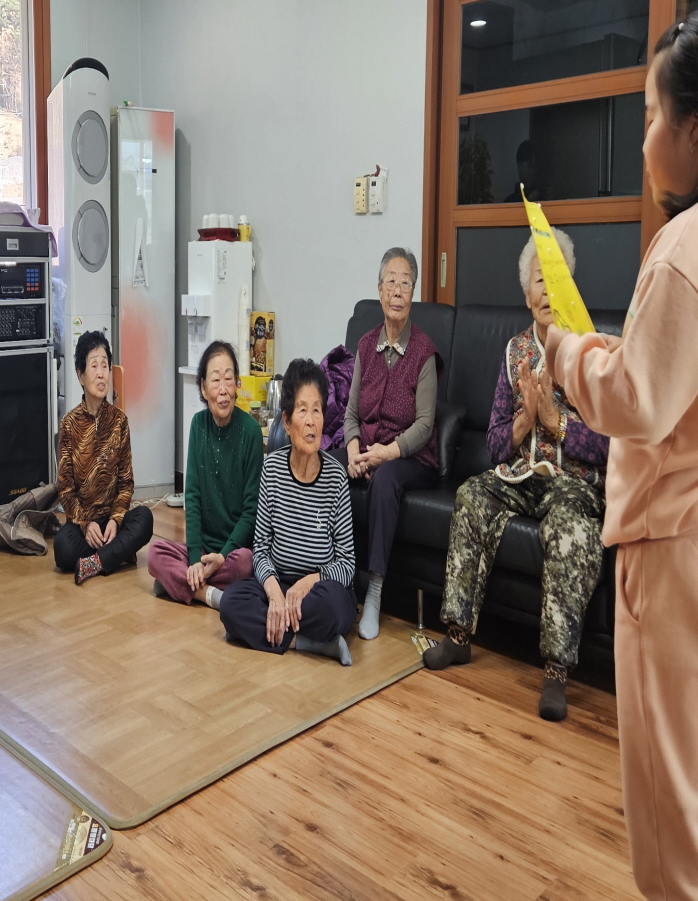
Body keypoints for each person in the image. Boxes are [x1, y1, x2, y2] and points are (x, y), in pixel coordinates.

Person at [545, 6, 698, 901]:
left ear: (696, 125)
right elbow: (686, 388)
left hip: (677, 572)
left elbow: (636, 403)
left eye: (651, 116)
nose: (645, 136)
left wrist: (568, 350)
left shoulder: (688, 246)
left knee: (670, 849)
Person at [423, 229, 609, 722]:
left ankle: (555, 671)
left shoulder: (592, 352)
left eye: (557, 278)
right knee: (471, 497)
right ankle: (458, 635)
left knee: (572, 532)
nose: (548, 289)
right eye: (538, 280)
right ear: (526, 293)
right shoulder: (514, 353)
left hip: (572, 485)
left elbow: (611, 443)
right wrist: (526, 421)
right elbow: (495, 443)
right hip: (520, 479)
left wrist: (556, 423)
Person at [333, 247, 444, 641]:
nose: (398, 290)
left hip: (411, 459)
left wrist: (386, 453)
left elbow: (426, 426)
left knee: (384, 481)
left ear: (412, 293)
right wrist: (351, 452)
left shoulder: (424, 352)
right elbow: (349, 414)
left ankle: (375, 592)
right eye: (391, 281)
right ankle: (335, 576)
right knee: (329, 469)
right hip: (367, 450)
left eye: (406, 282)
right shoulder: (365, 345)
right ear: (379, 290)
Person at [219, 359, 358, 666]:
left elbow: (347, 563)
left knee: (336, 609)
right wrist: (275, 594)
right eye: (303, 410)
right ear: (286, 419)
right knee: (230, 604)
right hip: (279, 582)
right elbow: (261, 550)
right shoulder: (272, 469)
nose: (311, 421)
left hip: (318, 590)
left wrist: (308, 582)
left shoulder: (336, 478)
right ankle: (309, 644)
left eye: (317, 410)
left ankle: (264, 633)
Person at [148, 341, 262, 608]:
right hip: (202, 550)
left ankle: (174, 584)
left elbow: (251, 510)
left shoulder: (251, 433)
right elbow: (193, 496)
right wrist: (194, 560)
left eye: (229, 378)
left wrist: (222, 555)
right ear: (202, 387)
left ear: (237, 384)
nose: (223, 390)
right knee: (155, 553)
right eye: (215, 380)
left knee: (246, 564)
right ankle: (209, 595)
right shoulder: (198, 426)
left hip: (233, 551)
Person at [55, 331, 154, 584]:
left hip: (113, 522)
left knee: (144, 519)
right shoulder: (68, 425)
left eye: (105, 366)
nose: (101, 373)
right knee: (62, 548)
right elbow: (66, 489)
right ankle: (118, 553)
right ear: (80, 374)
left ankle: (96, 562)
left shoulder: (119, 421)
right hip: (83, 524)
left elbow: (126, 483)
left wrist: (116, 519)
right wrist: (87, 525)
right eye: (94, 365)